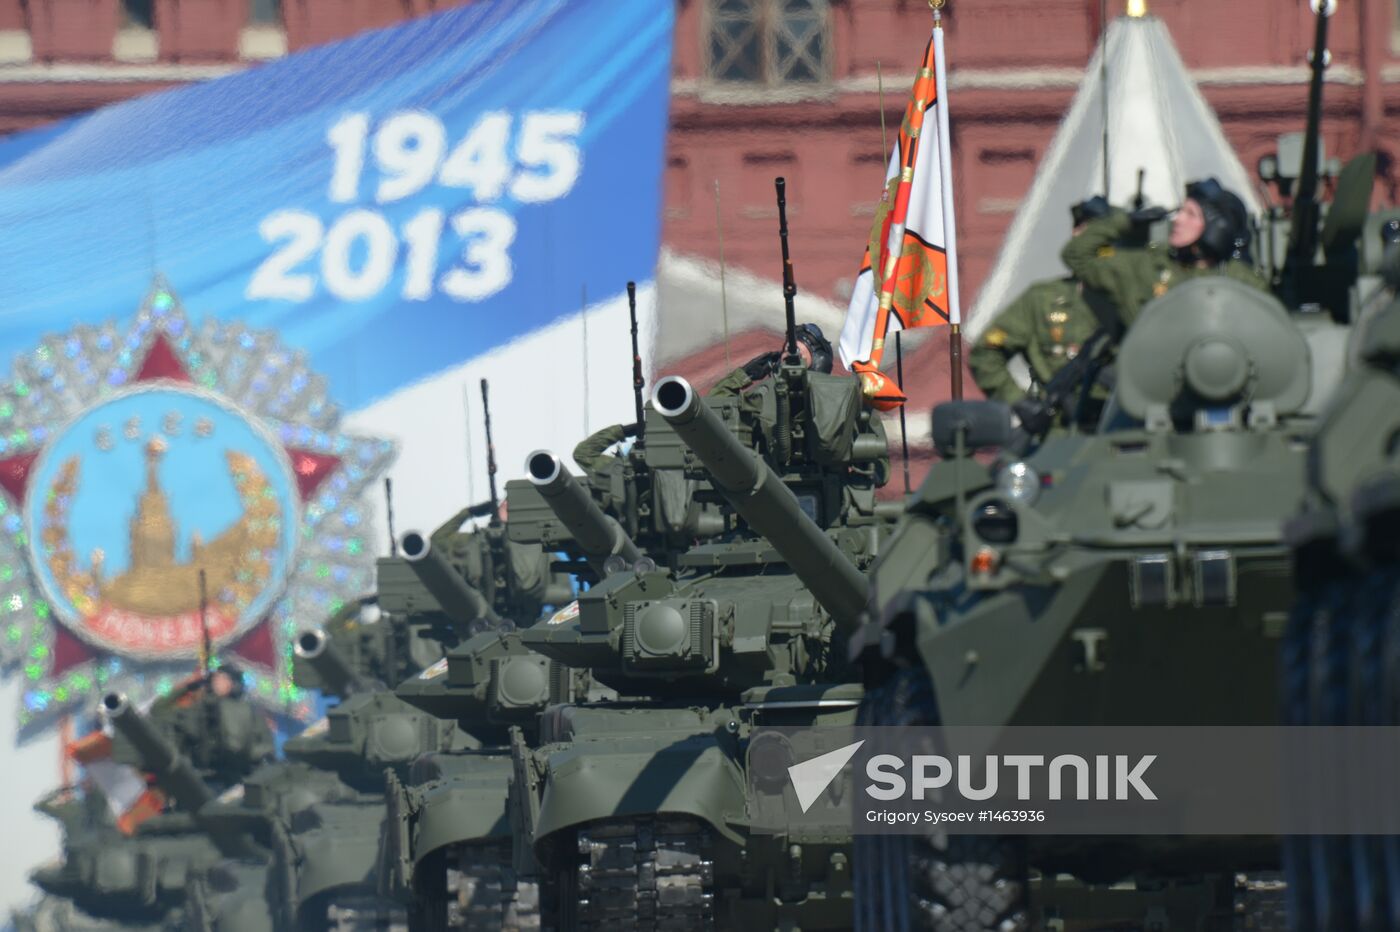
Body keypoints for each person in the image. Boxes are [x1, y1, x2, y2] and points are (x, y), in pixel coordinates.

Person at [571, 323, 836, 474]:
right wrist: (744, 376)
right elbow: (715, 412)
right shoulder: (762, 395)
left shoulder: (826, 400)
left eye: (797, 354)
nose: (787, 357)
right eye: (785, 351)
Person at [1061, 177, 1268, 328]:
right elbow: (1076, 255)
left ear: (1217, 228)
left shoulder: (1241, 281)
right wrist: (1126, 221)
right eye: (1181, 211)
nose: (1178, 219)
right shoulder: (1147, 267)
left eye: (1191, 214)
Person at [970, 196, 1115, 406]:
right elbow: (985, 353)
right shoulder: (1043, 300)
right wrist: (1022, 404)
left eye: (1100, 234)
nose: (1091, 242)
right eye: (1085, 231)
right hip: (1063, 425)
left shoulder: (1138, 298)